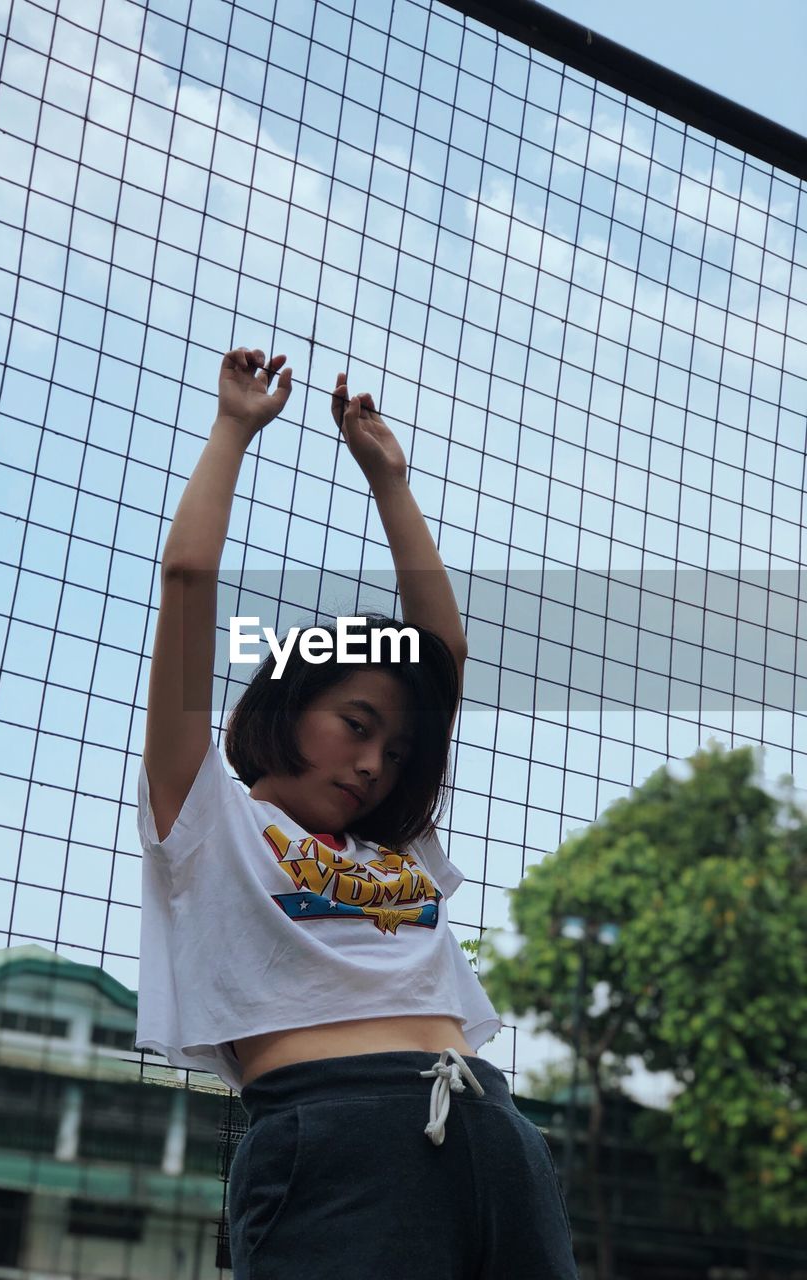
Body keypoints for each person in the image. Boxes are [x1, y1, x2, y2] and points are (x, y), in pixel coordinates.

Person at [135, 346, 578, 1278]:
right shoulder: (208, 818)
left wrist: (391, 481)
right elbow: (185, 582)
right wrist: (232, 430)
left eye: (396, 751)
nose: (375, 763)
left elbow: (441, 657)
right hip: (336, 1141)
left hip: (495, 1134)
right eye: (356, 724)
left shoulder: (390, 842)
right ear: (290, 704)